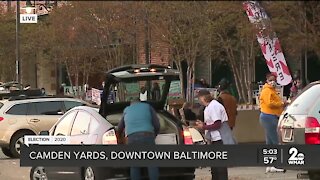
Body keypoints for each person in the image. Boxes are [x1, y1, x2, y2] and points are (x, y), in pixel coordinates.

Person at [117, 98, 160, 180]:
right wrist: (155, 134)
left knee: (134, 165)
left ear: (131, 104)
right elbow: (156, 123)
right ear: (140, 102)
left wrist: (120, 137)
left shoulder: (127, 110)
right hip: (148, 136)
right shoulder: (148, 107)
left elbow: (120, 127)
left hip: (132, 138)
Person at [194, 90, 229, 180]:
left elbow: (217, 124)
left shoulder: (214, 106)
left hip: (219, 138)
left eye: (199, 98)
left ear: (203, 97)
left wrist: (204, 126)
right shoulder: (209, 107)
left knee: (220, 167)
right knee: (215, 167)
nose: (199, 100)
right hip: (214, 139)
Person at [259, 73, 286, 173]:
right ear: (267, 80)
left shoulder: (271, 90)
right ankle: (277, 164)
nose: (273, 81)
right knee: (275, 141)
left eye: (274, 79)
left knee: (270, 142)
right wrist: (282, 103)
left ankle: (270, 164)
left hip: (269, 117)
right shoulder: (267, 90)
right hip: (269, 117)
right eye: (271, 80)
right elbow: (270, 103)